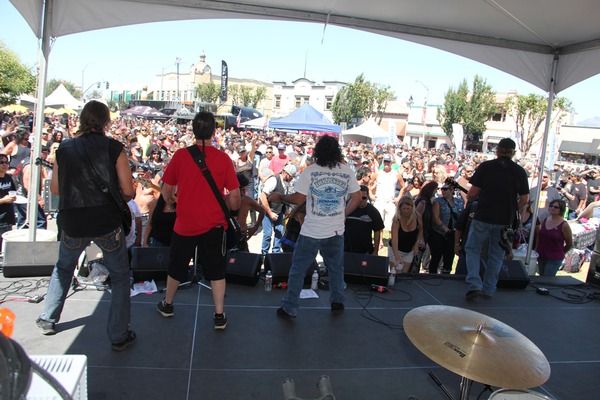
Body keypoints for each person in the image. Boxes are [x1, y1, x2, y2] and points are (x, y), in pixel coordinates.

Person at [36, 101, 136, 351]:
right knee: (120, 276)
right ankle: (118, 335)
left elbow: (56, 189)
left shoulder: (64, 148)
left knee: (64, 267)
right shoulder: (115, 148)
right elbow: (128, 191)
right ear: (106, 122)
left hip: (73, 220)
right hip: (105, 220)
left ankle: (48, 318)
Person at [157, 111, 240, 330]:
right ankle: (219, 315)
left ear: (193, 130)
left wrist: (176, 200)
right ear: (214, 131)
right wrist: (231, 209)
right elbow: (234, 197)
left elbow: (166, 192)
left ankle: (167, 304)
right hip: (214, 225)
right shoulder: (223, 159)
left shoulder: (180, 156)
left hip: (185, 223)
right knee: (216, 271)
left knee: (176, 267)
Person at [272, 135, 361, 319]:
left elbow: (298, 198)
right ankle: (337, 301)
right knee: (336, 269)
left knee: (298, 270)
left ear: (318, 152)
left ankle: (290, 307)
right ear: (337, 151)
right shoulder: (347, 171)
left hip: (312, 230)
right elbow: (357, 198)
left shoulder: (311, 171)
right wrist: (343, 214)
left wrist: (281, 197)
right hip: (336, 230)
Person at [464, 138, 529, 300]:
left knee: (473, 249)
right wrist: (513, 208)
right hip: (505, 220)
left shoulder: (486, 167)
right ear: (513, 153)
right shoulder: (519, 171)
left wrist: (471, 199)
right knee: (496, 255)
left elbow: (473, 193)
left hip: (483, 216)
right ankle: (489, 289)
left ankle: (474, 284)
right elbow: (524, 199)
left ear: (497, 150)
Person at [259, 163, 296, 254]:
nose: (291, 179)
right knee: (267, 235)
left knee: (279, 234)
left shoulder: (286, 183)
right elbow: (262, 197)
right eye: (291, 177)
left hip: (279, 212)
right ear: (286, 174)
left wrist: (286, 210)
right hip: (268, 212)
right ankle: (264, 255)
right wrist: (270, 212)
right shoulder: (273, 180)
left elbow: (283, 198)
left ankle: (276, 254)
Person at [430, 184, 462, 274]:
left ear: (452, 190)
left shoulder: (459, 201)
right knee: (436, 256)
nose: (442, 191)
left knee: (449, 256)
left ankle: (446, 274)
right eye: (442, 189)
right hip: (439, 233)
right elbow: (436, 218)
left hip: (453, 233)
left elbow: (461, 217)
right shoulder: (438, 201)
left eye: (445, 189)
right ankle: (432, 274)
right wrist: (445, 229)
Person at [535, 199, 573, 276]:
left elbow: (569, 243)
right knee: (540, 278)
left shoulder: (564, 225)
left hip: (554, 258)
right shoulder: (545, 220)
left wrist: (560, 252)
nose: (552, 208)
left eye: (556, 207)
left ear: (561, 209)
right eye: (551, 206)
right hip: (541, 255)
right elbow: (539, 236)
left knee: (547, 279)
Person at [344, 185, 384, 255]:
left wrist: (375, 251)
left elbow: (377, 230)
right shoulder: (346, 208)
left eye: (364, 198)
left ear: (368, 197)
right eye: (358, 198)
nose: (361, 200)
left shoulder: (373, 212)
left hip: (365, 250)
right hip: (346, 248)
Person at [389, 196, 423, 273]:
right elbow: (394, 240)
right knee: (395, 273)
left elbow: (420, 230)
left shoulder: (417, 216)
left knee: (404, 274)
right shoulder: (397, 220)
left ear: (412, 208)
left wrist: (416, 244)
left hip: (409, 250)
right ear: (400, 209)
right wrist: (397, 256)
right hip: (396, 249)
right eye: (404, 209)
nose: (406, 211)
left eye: (408, 208)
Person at [0, 153, 16, 248]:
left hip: (8, 218)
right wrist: (3, 200)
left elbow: (13, 191)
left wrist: (13, 198)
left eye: (6, 162)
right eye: (1, 162)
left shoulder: (8, 177)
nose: (4, 164)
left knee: (6, 248)